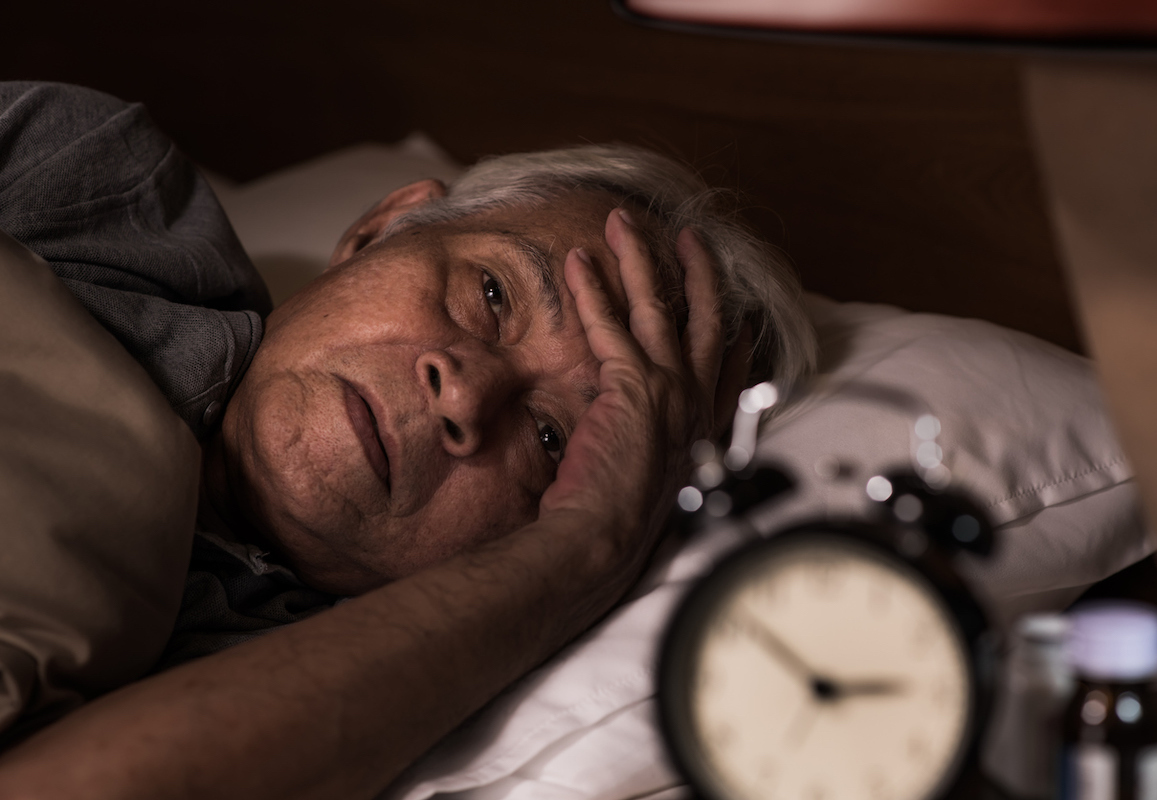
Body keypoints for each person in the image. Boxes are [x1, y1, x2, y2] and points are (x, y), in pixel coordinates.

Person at [0, 82, 815, 798]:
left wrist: (588, 545)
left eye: (551, 438)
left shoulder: (349, 702)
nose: (463, 391)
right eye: (492, 292)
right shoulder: (101, 198)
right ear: (381, 228)